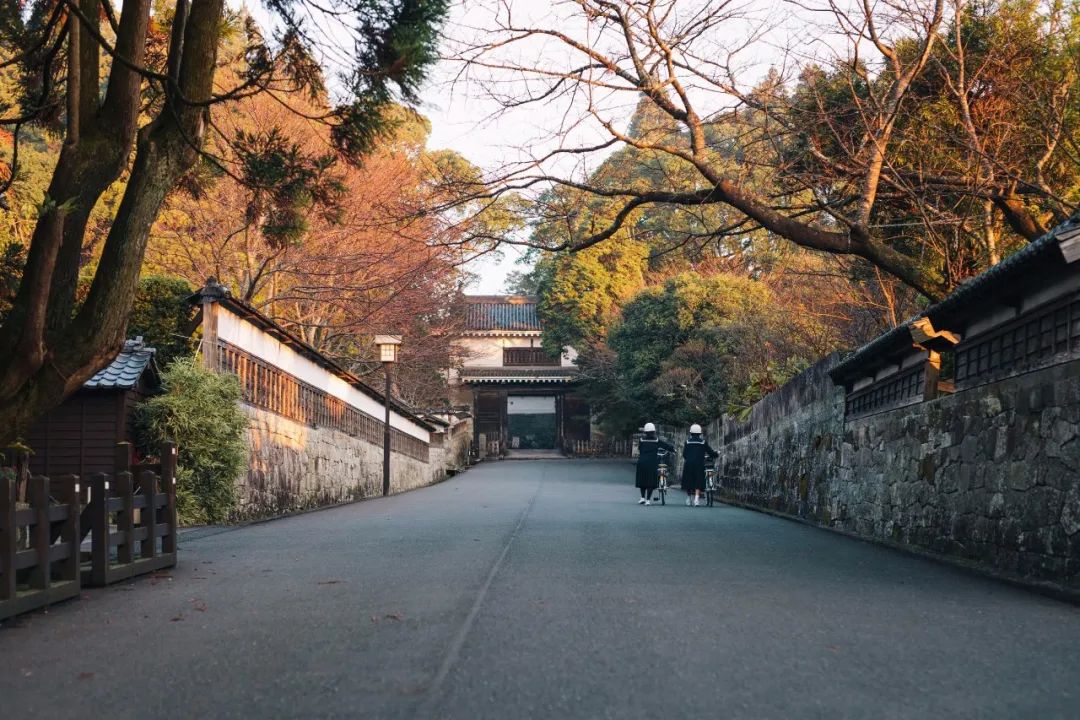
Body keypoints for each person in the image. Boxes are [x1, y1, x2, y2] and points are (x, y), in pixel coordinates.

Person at [636, 423, 675, 505]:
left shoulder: (641, 440)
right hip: (652, 462)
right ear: (654, 431)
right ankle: (648, 500)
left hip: (642, 462)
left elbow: (640, 448)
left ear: (645, 432)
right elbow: (666, 446)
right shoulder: (656, 440)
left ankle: (642, 498)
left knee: (642, 480)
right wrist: (673, 449)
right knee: (650, 480)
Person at [681, 424, 718, 507]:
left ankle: (688, 498)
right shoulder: (703, 442)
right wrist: (716, 454)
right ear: (700, 433)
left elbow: (684, 454)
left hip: (689, 463)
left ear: (691, 433)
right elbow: (710, 452)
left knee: (688, 480)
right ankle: (696, 499)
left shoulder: (687, 442)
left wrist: (689, 458)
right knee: (698, 480)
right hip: (699, 464)